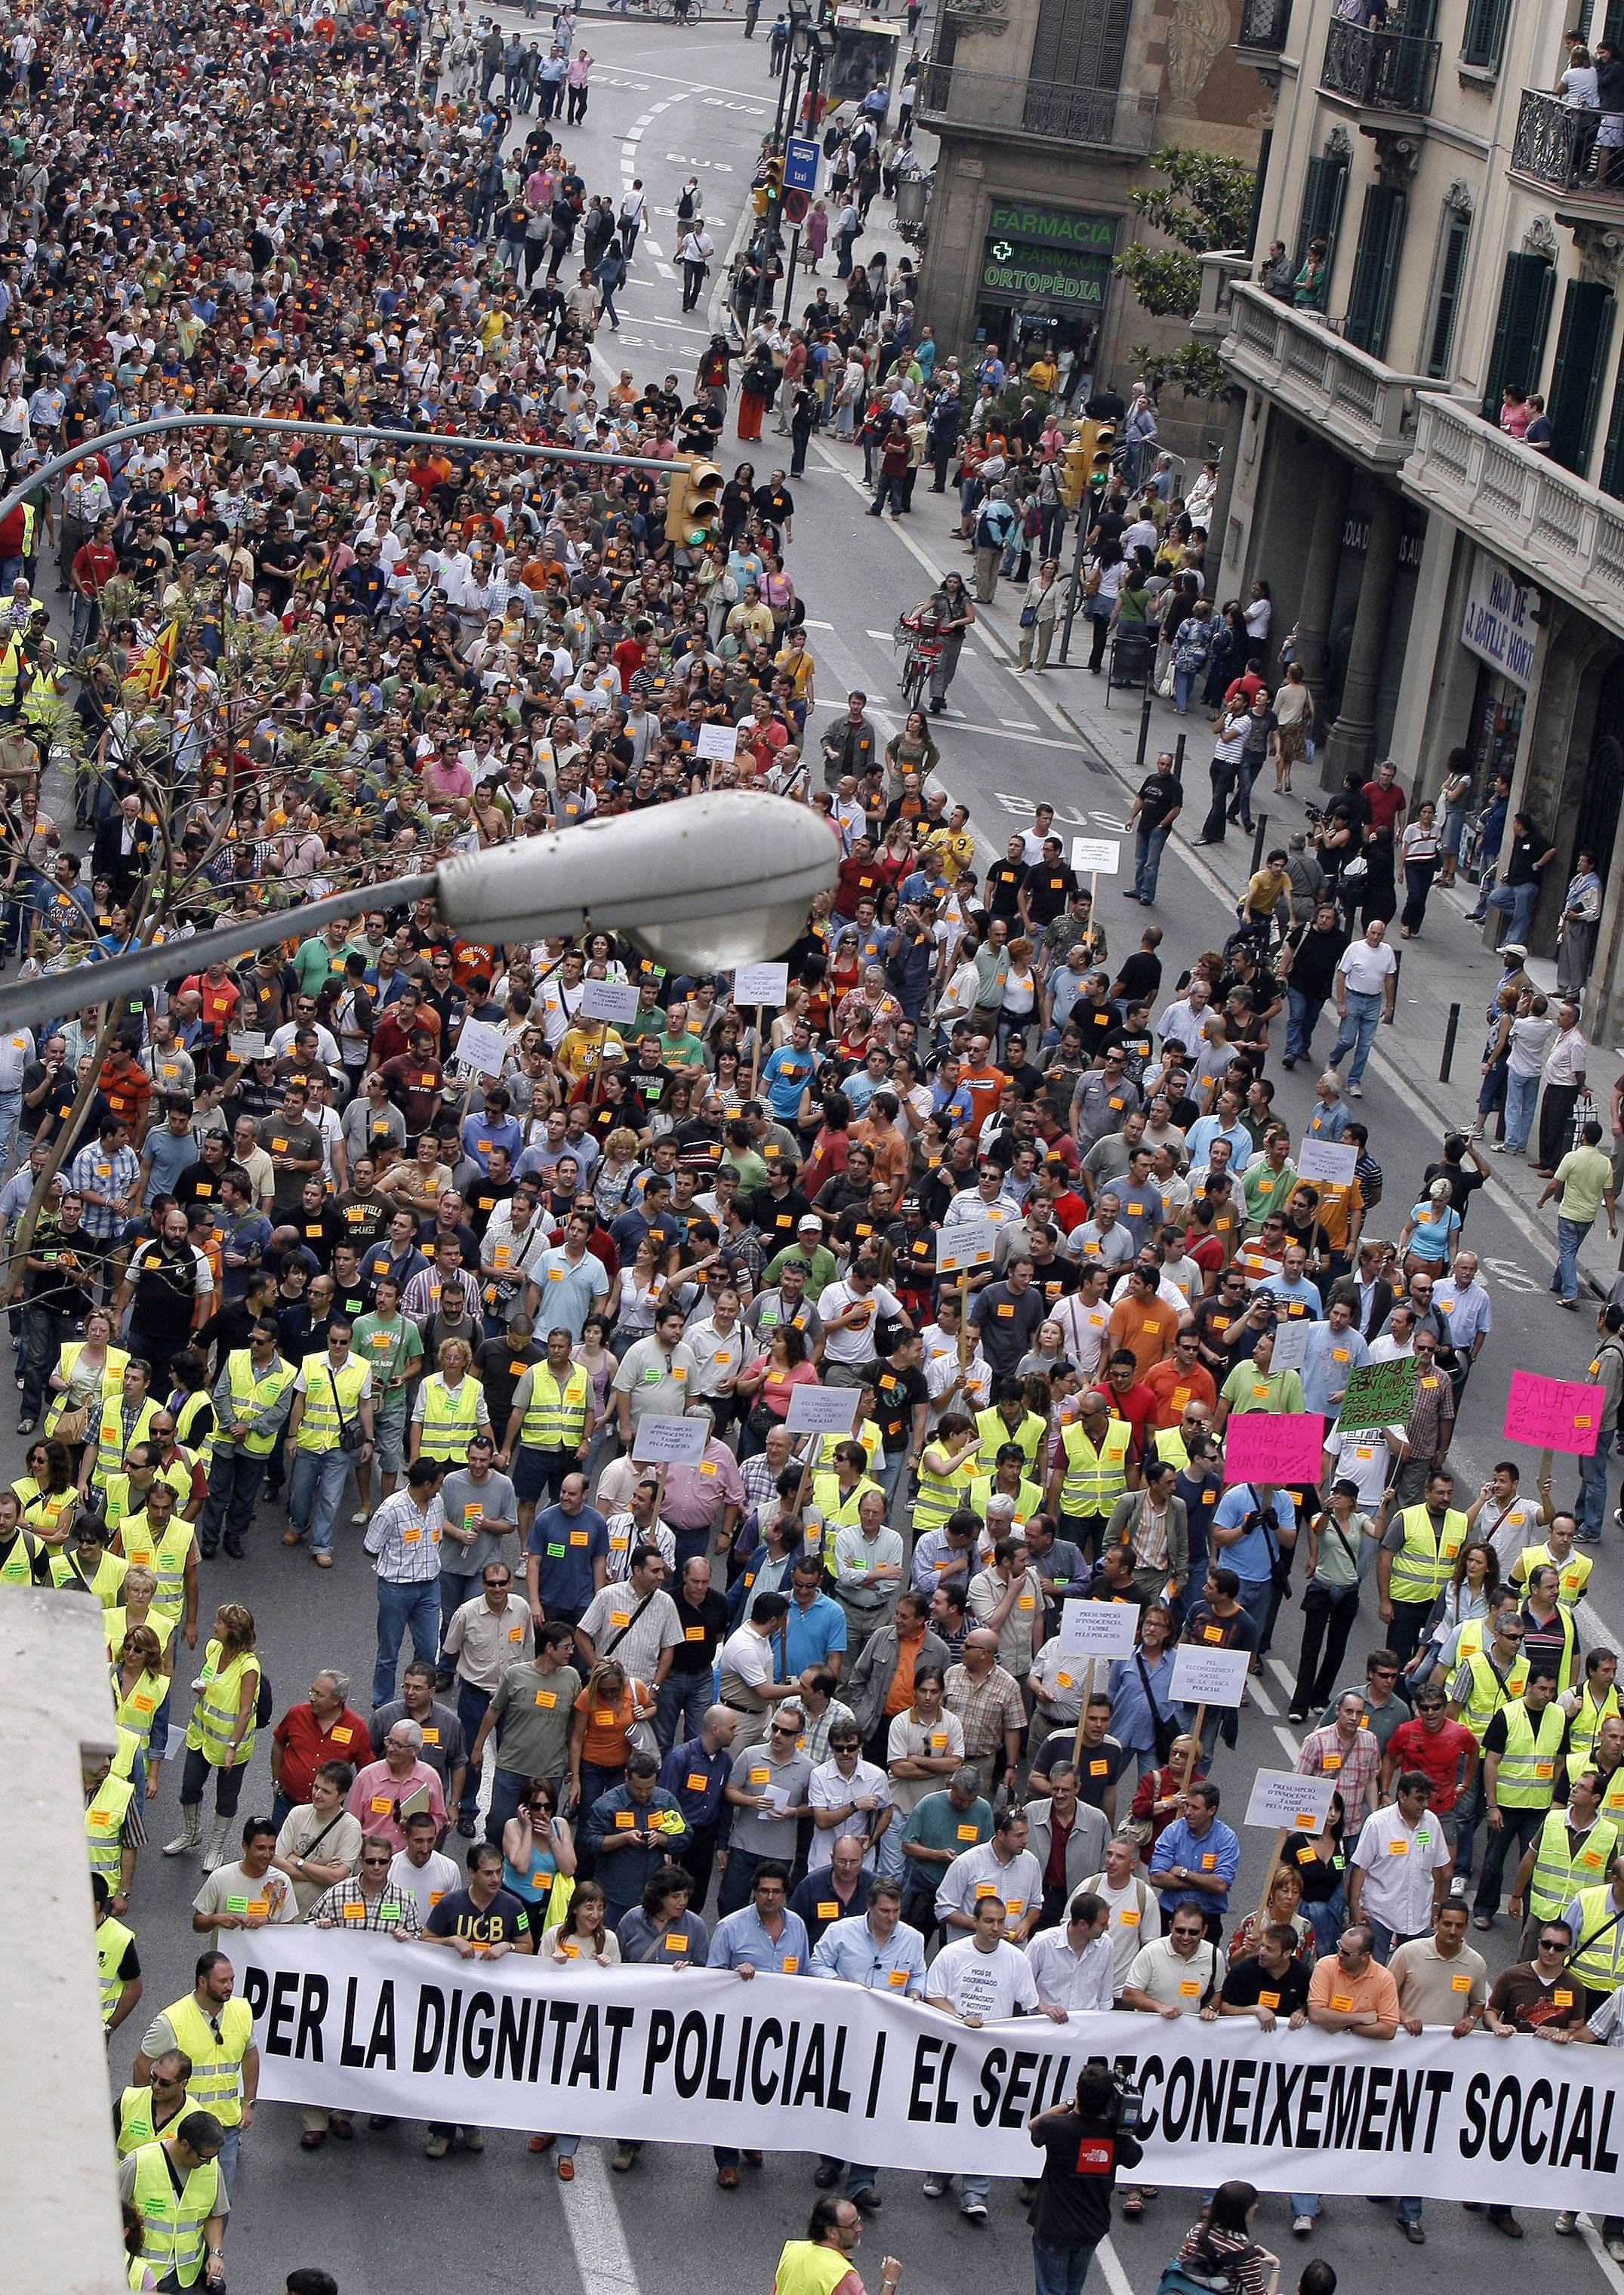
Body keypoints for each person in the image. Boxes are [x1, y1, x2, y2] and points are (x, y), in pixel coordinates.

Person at [1025, 2062, 1143, 2295]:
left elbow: (1034, 2125)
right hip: (1090, 2228)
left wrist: (1069, 2104)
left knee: (1051, 2290)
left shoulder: (1056, 2127)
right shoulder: (1115, 2136)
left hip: (1053, 2227)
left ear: (1079, 2092)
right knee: (1073, 2289)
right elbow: (1133, 2158)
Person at [771, 2197, 904, 2295]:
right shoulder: (842, 2276)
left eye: (858, 2221)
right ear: (832, 2232)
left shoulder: (792, 2249)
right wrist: (890, 2281)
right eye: (853, 2225)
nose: (860, 2229)